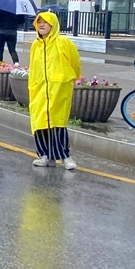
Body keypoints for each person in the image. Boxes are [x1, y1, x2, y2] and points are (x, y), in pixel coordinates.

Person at [29, 11, 80, 170]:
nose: (42, 25)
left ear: (54, 25)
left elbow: (75, 63)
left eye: (46, 22)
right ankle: (44, 155)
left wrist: (69, 79)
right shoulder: (35, 45)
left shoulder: (64, 43)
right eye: (39, 22)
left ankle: (65, 156)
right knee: (40, 123)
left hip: (59, 89)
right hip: (39, 89)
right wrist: (33, 85)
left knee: (57, 123)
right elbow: (33, 67)